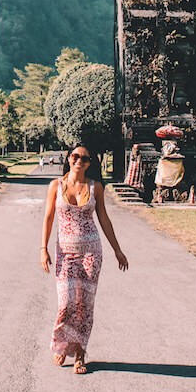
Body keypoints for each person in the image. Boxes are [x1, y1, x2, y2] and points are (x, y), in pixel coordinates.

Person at [40, 143, 128, 374]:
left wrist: (117, 250)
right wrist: (43, 248)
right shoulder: (55, 186)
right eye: (76, 156)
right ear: (69, 159)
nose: (79, 161)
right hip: (65, 253)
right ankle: (61, 345)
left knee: (84, 305)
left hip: (91, 253)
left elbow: (104, 219)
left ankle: (79, 353)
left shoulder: (95, 187)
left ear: (90, 163)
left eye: (85, 159)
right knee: (66, 303)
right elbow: (48, 218)